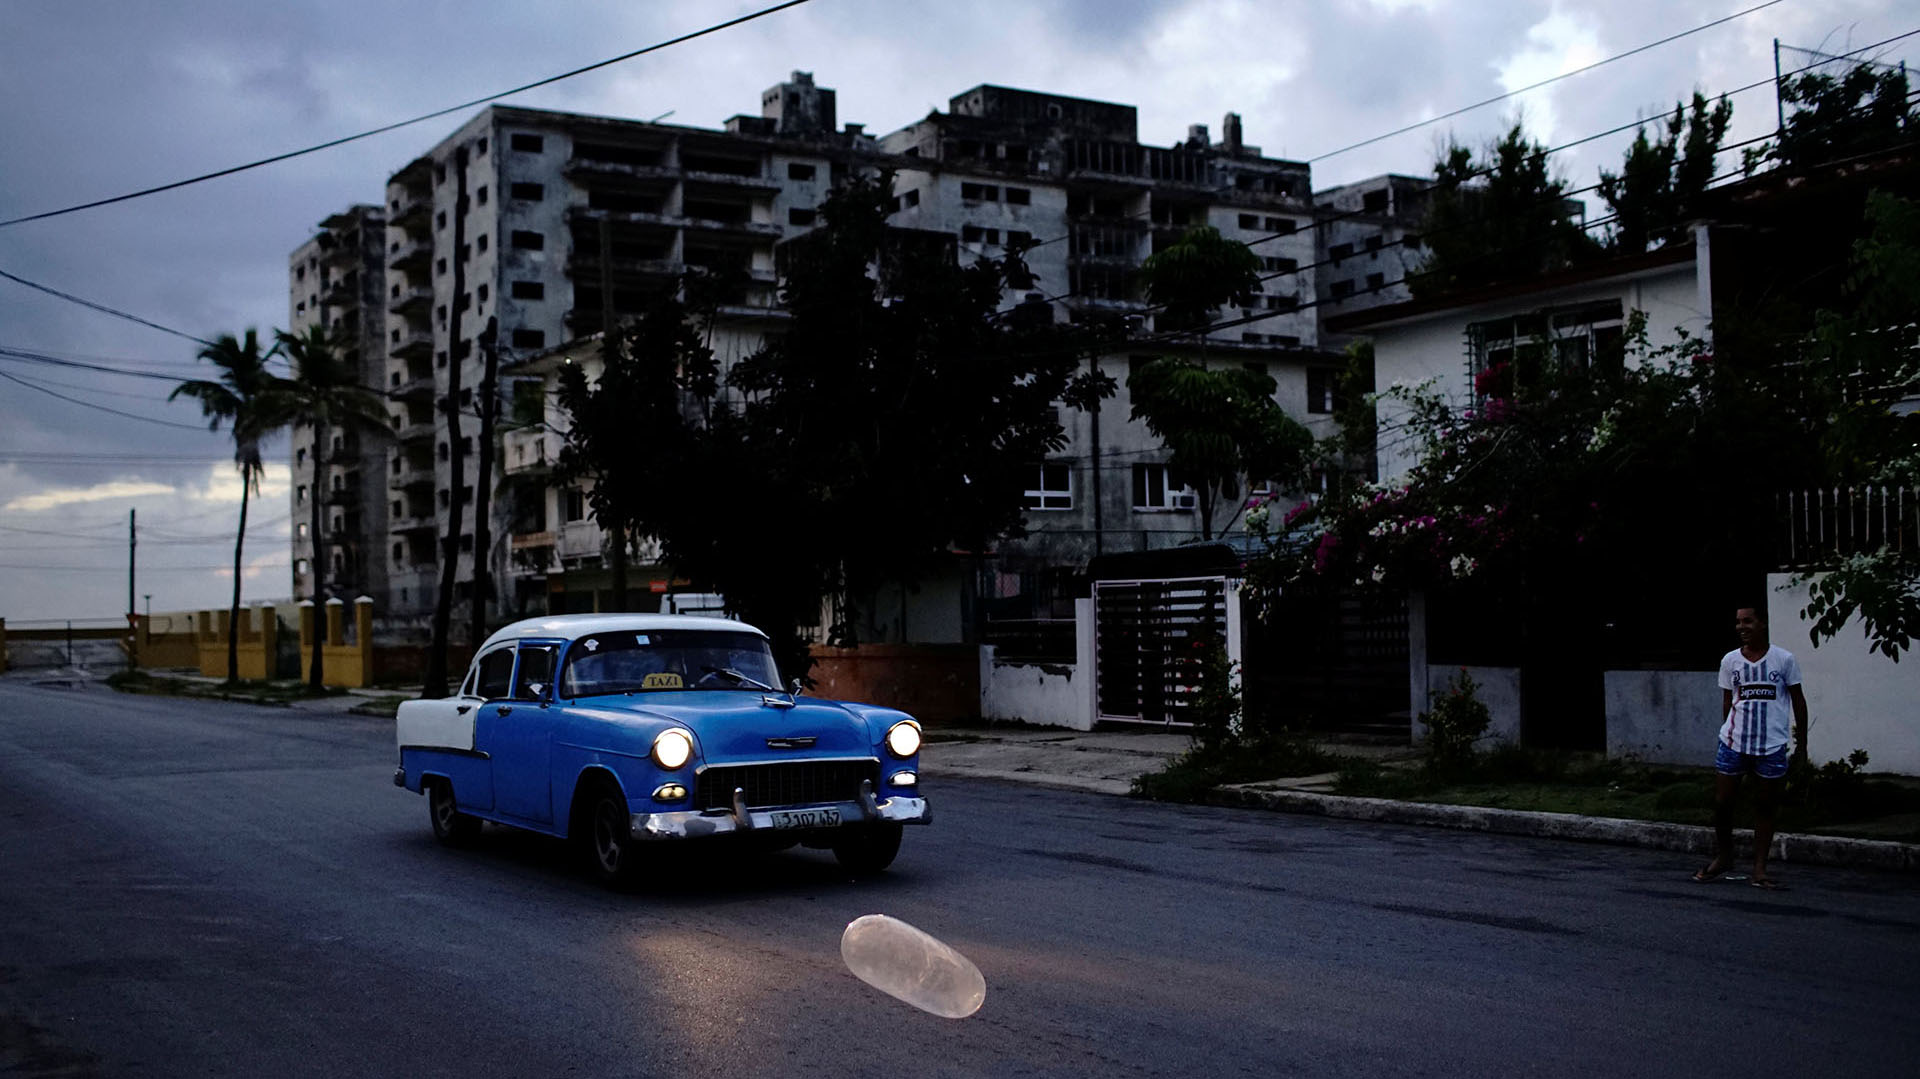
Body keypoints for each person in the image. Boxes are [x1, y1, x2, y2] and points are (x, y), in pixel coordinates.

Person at [1694, 605, 1808, 889]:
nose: (1741, 626)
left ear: (1762, 623)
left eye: (1748, 621)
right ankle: (1724, 856)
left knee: (1766, 807)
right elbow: (1727, 701)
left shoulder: (1784, 659)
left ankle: (1760, 869)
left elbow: (1798, 700)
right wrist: (1727, 733)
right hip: (1733, 744)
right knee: (1723, 804)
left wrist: (1802, 744)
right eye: (1738, 622)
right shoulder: (1730, 661)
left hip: (1771, 746)